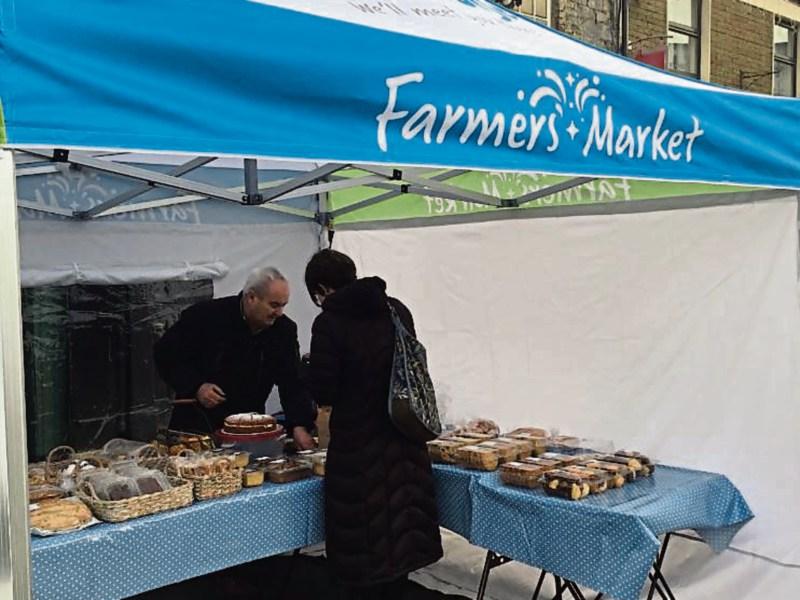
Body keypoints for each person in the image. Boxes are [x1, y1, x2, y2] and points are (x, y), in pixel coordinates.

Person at [305, 249, 443, 600]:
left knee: (363, 550)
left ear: (323, 289)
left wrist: (309, 368)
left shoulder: (329, 323)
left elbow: (325, 391)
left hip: (358, 449)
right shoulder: (396, 309)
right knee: (401, 539)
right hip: (404, 437)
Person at [154, 266, 316, 449]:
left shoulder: (283, 330)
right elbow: (165, 353)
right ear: (251, 297)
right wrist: (196, 386)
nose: (279, 313)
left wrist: (299, 425)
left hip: (248, 430)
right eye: (274, 305)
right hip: (197, 427)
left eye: (283, 305)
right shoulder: (205, 317)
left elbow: (292, 381)